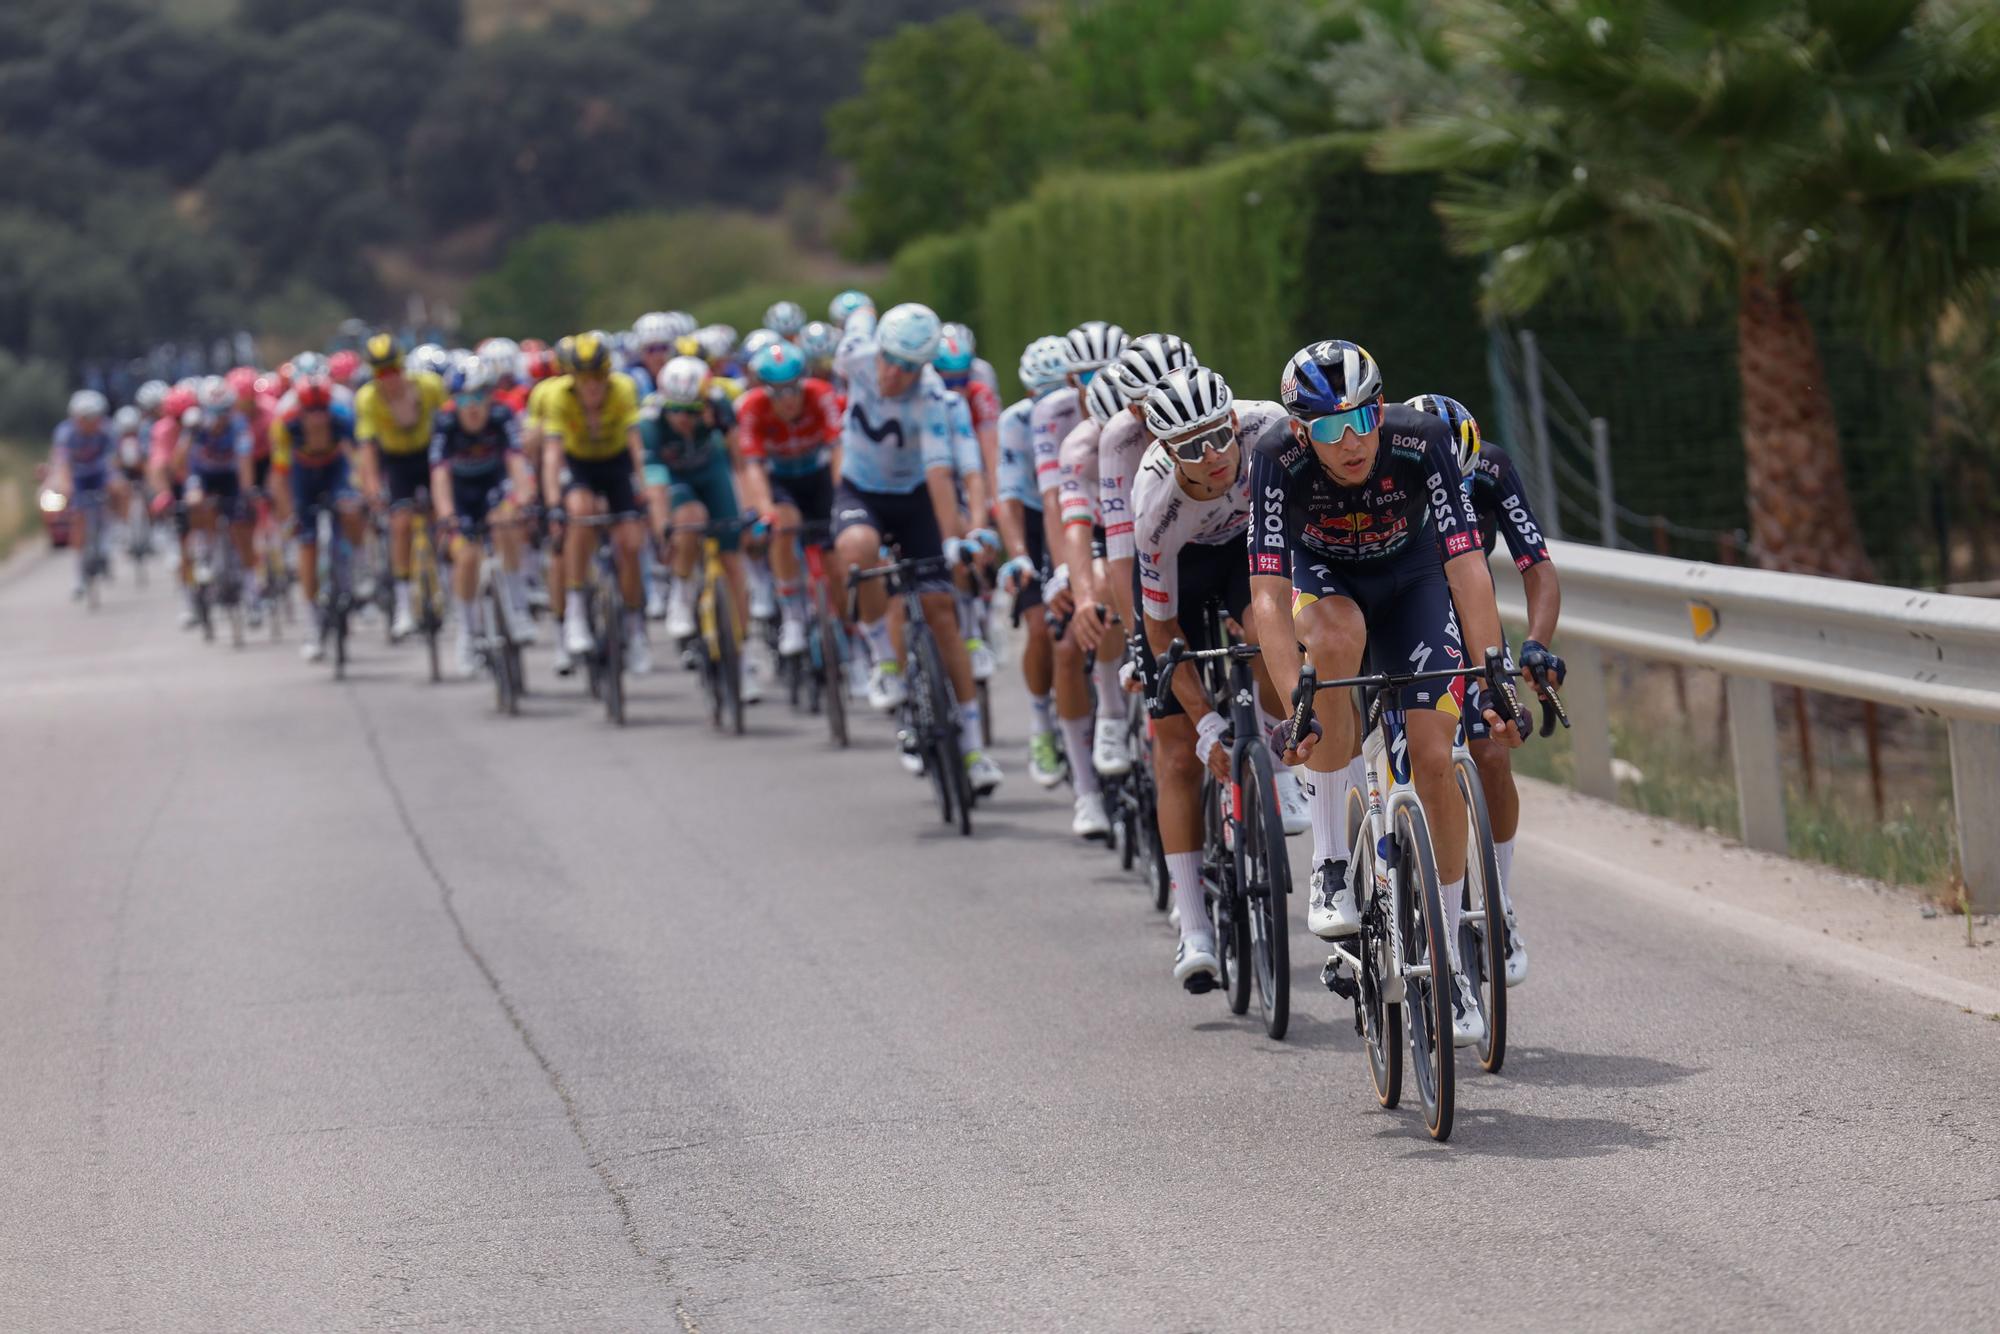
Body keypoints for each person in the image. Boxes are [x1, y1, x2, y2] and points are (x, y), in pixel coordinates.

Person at [1247, 340, 1525, 1047]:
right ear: (1303, 430)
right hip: (1326, 581)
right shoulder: (1275, 457)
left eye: (1362, 418)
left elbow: (1467, 568)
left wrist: (1495, 667)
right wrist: (1294, 705)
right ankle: (1332, 863)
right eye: (1331, 429)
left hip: (1413, 580)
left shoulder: (1420, 438)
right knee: (1334, 647)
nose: (1352, 441)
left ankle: (1452, 959)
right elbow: (1270, 599)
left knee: (1435, 757)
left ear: (1381, 407)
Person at [1129, 367, 1299, 989]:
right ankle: (1195, 928)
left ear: (1234, 423)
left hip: (1249, 549)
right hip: (1182, 568)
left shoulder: (1272, 431)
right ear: (1166, 450)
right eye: (1191, 449)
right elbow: (1161, 631)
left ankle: (1283, 752)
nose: (1212, 458)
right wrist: (1203, 726)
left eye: (1218, 438)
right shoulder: (1154, 506)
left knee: (1266, 627)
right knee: (1176, 759)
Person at [1406, 392, 1562, 988]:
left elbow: (1536, 566)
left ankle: (1498, 904)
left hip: (1467, 614)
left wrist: (1537, 644)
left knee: (1492, 751)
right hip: (1399, 608)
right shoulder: (1388, 471)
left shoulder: (1491, 466)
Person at [830, 301, 1002, 795]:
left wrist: (951, 540)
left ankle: (973, 749)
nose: (895, 374)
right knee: (858, 550)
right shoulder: (856, 352)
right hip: (862, 490)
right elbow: (857, 313)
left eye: (909, 367)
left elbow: (940, 471)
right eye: (891, 360)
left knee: (941, 608)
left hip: (916, 499)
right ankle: (884, 661)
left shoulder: (930, 396)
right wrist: (859, 307)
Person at [641, 354, 758, 701]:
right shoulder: (650, 422)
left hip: (712, 474)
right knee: (689, 519)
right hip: (674, 481)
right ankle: (681, 589)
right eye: (676, 411)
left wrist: (750, 509)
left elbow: (740, 463)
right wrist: (663, 527)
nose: (684, 419)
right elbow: (654, 485)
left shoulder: (721, 407)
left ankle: (743, 655)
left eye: (692, 411)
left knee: (733, 561)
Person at [543, 332, 651, 676]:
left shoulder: (623, 389)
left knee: (632, 543)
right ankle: (575, 609)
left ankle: (635, 629)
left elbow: (635, 443)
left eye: (598, 378)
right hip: (580, 466)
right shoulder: (559, 396)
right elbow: (552, 454)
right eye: (583, 379)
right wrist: (552, 502)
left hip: (615, 463)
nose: (592, 387)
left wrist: (644, 486)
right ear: (573, 378)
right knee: (579, 513)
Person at [736, 340, 843, 658]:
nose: (788, 400)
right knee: (783, 525)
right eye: (777, 392)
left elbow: (839, 450)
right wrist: (765, 509)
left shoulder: (822, 394)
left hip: (818, 475)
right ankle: (793, 614)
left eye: (793, 389)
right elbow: (752, 465)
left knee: (837, 562)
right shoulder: (750, 407)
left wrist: (843, 496)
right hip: (780, 480)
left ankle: (853, 635)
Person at [431, 360, 537, 676]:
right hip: (461, 496)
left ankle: (518, 607)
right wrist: (446, 514)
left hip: (494, 487)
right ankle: (466, 631)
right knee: (466, 557)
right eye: (464, 398)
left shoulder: (502, 417)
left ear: (491, 396)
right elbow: (439, 476)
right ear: (454, 401)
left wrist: (523, 498)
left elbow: (517, 463)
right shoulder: (445, 423)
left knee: (504, 522)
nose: (473, 406)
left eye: (479, 397)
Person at [995, 337, 1067, 788]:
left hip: (1079, 506)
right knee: (1040, 626)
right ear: (1028, 395)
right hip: (1038, 519)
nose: (1051, 405)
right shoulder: (1015, 423)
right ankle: (1042, 723)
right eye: (1042, 394)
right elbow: (1007, 503)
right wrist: (1020, 555)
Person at [353, 332, 448, 640]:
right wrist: (370, 487)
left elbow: (452, 426)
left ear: (403, 367)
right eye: (381, 372)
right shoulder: (368, 398)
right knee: (400, 523)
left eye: (393, 369)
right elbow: (367, 448)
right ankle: (404, 605)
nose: (388, 378)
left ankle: (447, 585)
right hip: (395, 462)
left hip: (429, 455)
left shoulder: (429, 387)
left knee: (442, 518)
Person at [274, 375, 365, 661]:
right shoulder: (286, 425)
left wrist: (360, 491)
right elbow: (279, 476)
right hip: (303, 478)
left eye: (320, 410)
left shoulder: (342, 418)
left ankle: (358, 571)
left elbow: (359, 458)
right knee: (307, 545)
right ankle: (312, 625)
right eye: (309, 411)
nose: (315, 418)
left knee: (350, 511)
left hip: (334, 470)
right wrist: (289, 516)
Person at [172, 376, 256, 592]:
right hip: (203, 476)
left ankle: (251, 587)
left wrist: (246, 491)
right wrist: (189, 435)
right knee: (194, 501)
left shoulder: (238, 425)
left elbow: (245, 461)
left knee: (241, 526)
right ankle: (204, 553)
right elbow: (178, 462)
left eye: (224, 411)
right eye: (214, 411)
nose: (219, 417)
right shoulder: (196, 424)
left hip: (230, 476)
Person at [49, 390, 124, 597]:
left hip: (100, 472)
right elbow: (61, 463)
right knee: (78, 518)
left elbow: (113, 461)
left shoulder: (107, 431)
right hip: (77, 476)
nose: (90, 423)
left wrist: (113, 480)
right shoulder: (65, 433)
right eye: (85, 418)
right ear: (75, 417)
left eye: (94, 418)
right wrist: (64, 485)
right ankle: (79, 575)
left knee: (118, 488)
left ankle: (114, 532)